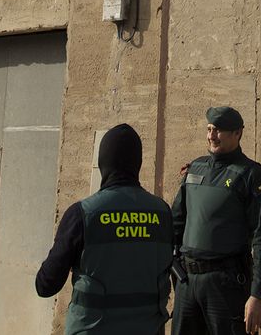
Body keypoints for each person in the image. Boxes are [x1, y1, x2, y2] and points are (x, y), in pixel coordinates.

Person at [36, 123, 174, 334]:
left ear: (103, 162)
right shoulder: (163, 213)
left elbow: (46, 285)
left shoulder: (81, 214)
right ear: (137, 163)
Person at [170, 107, 261, 335]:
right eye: (209, 129)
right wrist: (173, 268)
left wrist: (258, 294)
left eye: (218, 130)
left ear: (237, 133)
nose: (211, 135)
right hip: (187, 284)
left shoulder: (251, 175)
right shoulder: (194, 169)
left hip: (226, 286)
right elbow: (175, 225)